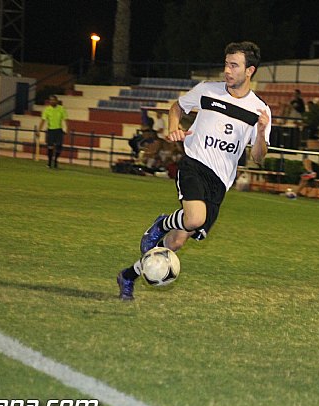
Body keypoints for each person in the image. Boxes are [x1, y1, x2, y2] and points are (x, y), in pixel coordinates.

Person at [116, 41, 271, 301]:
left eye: (234, 65)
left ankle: (128, 276)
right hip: (194, 164)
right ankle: (161, 223)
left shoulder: (261, 110)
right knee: (195, 218)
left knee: (175, 243)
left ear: (250, 71)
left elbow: (258, 157)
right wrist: (173, 128)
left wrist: (260, 134)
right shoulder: (208, 91)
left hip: (220, 183)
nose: (228, 70)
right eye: (226, 64)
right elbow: (176, 107)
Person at [36, 95, 68, 168]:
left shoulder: (61, 109)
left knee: (59, 146)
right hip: (50, 130)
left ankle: (56, 160)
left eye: (53, 100)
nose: (52, 101)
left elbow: (66, 120)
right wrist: (39, 130)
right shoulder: (47, 110)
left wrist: (67, 129)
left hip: (59, 130)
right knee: (50, 147)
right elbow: (43, 120)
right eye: (50, 100)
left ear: (56, 101)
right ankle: (49, 162)